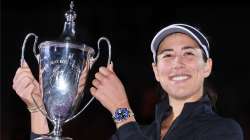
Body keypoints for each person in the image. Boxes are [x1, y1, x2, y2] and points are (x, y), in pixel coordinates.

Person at [12, 23, 244, 140]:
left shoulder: (224, 131)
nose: (177, 63)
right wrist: (37, 110)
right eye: (167, 55)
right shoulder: (137, 133)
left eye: (189, 53)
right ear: (156, 71)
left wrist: (121, 111)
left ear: (208, 67)